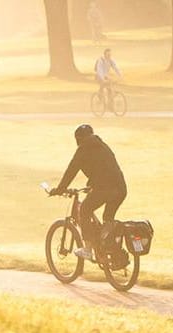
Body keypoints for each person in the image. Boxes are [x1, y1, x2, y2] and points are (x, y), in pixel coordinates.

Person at [51, 124, 128, 265]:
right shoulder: (103, 146)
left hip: (105, 188)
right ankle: (111, 250)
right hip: (121, 188)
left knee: (85, 209)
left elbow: (71, 170)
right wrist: (92, 184)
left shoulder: (83, 149)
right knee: (108, 219)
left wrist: (60, 189)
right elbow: (104, 168)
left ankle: (87, 248)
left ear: (78, 139)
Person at [94, 47, 122, 112]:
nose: (109, 56)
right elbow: (99, 70)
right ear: (105, 54)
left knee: (110, 90)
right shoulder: (100, 60)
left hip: (106, 76)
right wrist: (102, 78)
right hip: (99, 75)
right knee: (103, 85)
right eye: (108, 55)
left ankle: (110, 106)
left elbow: (115, 67)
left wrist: (120, 75)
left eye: (110, 55)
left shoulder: (111, 60)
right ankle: (99, 96)